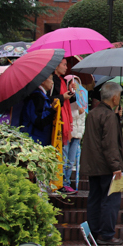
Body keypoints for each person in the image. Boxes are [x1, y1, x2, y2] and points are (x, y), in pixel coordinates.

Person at [80, 82, 123, 245]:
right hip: (107, 166)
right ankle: (106, 234)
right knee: (111, 199)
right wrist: (116, 166)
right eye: (119, 96)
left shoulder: (93, 113)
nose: (119, 99)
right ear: (114, 97)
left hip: (93, 165)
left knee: (94, 198)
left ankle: (93, 231)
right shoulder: (108, 116)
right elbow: (109, 143)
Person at [49, 59, 76, 192]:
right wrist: (62, 97)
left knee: (62, 152)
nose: (66, 67)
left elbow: (69, 100)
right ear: (56, 65)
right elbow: (50, 98)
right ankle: (57, 182)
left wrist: (71, 90)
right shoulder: (52, 79)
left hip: (64, 117)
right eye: (64, 65)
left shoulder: (62, 80)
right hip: (56, 119)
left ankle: (60, 181)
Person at [18, 76, 56, 146]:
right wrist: (52, 110)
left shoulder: (42, 96)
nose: (52, 82)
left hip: (40, 139)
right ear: (43, 81)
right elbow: (38, 120)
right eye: (50, 79)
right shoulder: (37, 97)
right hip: (33, 139)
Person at [65, 75, 86, 190]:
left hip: (77, 134)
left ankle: (67, 182)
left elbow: (82, 114)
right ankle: (63, 182)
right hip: (68, 132)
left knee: (71, 160)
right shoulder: (67, 97)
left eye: (78, 84)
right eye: (73, 83)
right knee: (65, 159)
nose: (75, 86)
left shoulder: (82, 98)